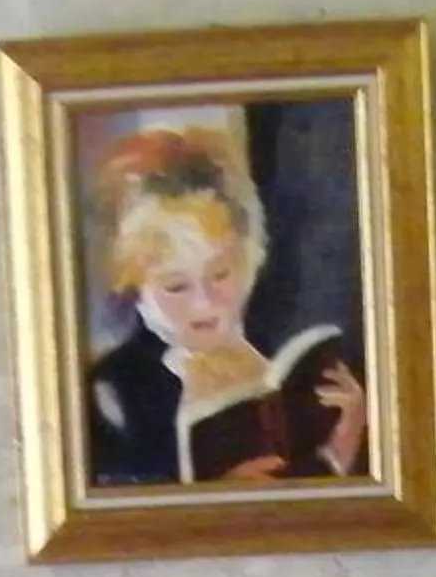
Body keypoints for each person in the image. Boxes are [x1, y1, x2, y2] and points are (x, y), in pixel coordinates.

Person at [84, 124, 369, 488]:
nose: (204, 303)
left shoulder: (280, 354)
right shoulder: (114, 392)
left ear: (249, 258)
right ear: (133, 285)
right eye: (176, 286)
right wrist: (216, 499)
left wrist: (348, 438)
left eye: (220, 274)